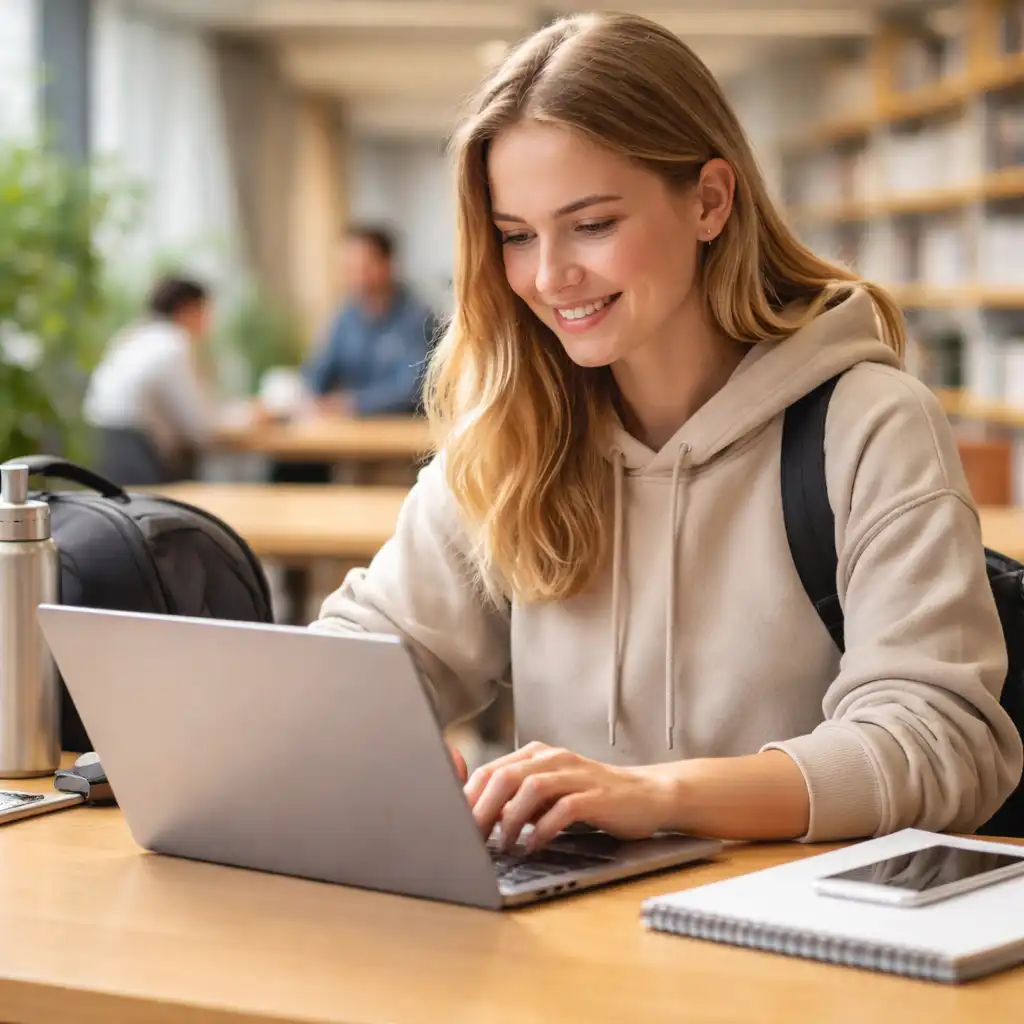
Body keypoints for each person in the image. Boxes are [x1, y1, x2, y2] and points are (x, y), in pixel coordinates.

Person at [310, 13, 1023, 854]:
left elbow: (941, 741)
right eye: (515, 236)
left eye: (593, 224)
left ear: (710, 202)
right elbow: (364, 654)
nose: (549, 277)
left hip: (793, 949)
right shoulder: (516, 424)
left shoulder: (870, 423)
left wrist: (656, 794)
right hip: (572, 940)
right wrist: (363, 736)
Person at [269, 225, 437, 485]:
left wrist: (349, 404)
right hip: (348, 438)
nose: (354, 276)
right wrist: (305, 398)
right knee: (288, 467)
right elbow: (318, 371)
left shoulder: (418, 317)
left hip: (402, 447)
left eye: (362, 266)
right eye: (347, 268)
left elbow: (411, 388)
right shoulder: (345, 316)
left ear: (387, 265)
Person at [84, 275, 216, 485]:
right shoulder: (173, 343)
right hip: (142, 457)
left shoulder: (134, 336)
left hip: (105, 451)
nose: (209, 323)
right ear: (187, 309)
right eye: (205, 312)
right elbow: (200, 427)